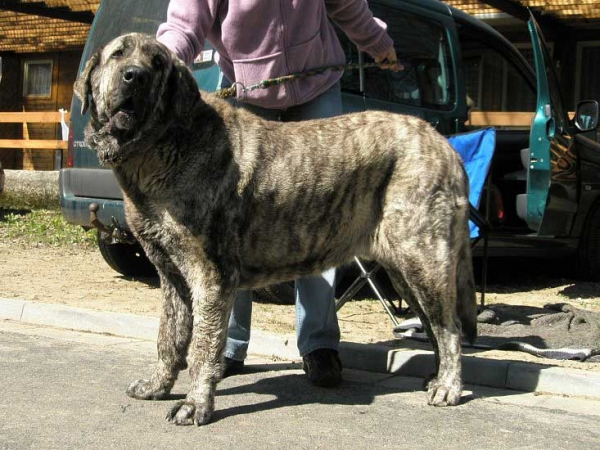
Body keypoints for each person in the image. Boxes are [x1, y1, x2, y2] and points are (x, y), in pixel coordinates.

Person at [157, 0, 400, 388]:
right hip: (248, 95)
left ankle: (319, 344)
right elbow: (184, 27)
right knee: (229, 227)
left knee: (323, 216)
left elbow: (347, 5)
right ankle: (229, 343)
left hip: (317, 86)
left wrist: (377, 42)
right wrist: (161, 66)